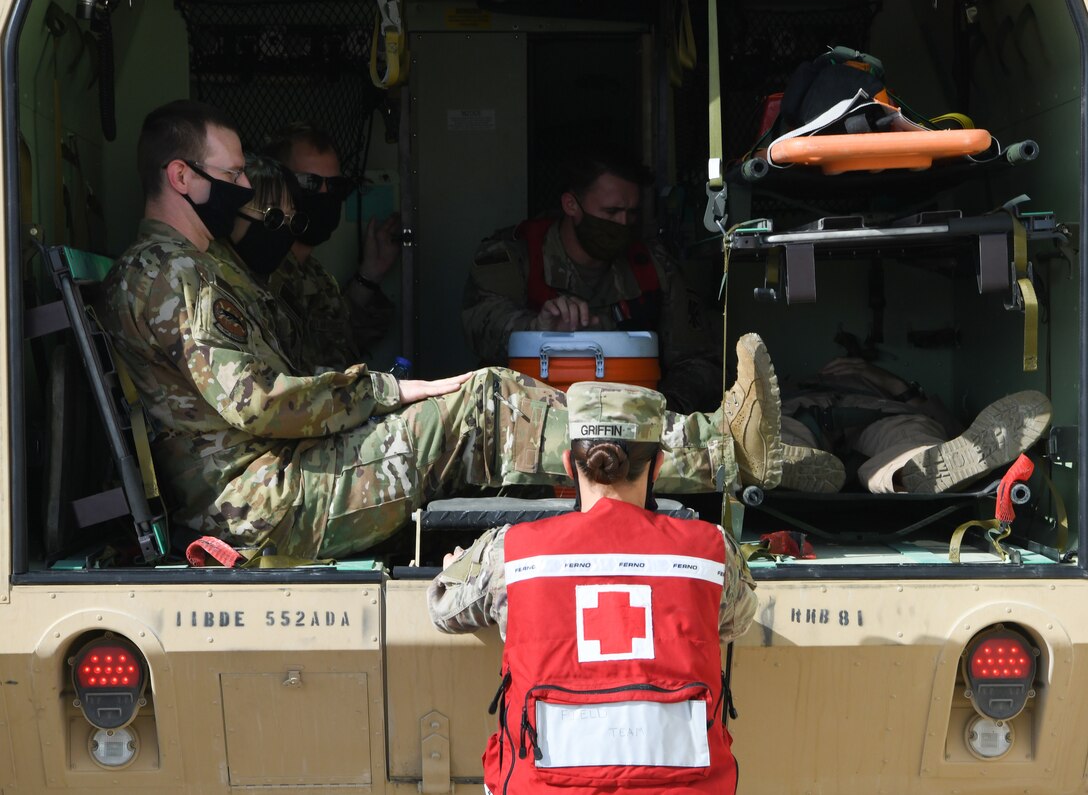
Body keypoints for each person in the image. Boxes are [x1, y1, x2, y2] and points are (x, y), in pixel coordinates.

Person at [100, 100, 784, 560]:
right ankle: (720, 452)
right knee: (482, 407)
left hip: (281, 478)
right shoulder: (166, 274)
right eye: (233, 173)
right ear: (181, 176)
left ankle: (708, 441)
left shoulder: (198, 265)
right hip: (268, 503)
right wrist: (394, 392)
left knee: (485, 399)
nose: (248, 185)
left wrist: (393, 391)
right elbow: (261, 401)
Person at [429, 381, 755, 794]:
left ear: (568, 464)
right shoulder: (711, 551)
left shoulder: (509, 552)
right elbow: (735, 621)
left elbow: (442, 606)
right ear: (656, 468)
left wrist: (456, 568)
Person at [462, 148, 722, 414]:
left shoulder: (653, 265)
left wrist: (659, 412)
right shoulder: (517, 255)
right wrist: (536, 330)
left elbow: (698, 360)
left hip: (631, 420)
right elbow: (481, 327)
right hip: (530, 419)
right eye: (611, 212)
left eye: (631, 213)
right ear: (571, 205)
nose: (622, 223)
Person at [776, 357, 1052, 494]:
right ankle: (789, 464)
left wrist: (885, 380)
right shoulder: (789, 389)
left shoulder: (882, 390)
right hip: (799, 412)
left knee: (913, 438)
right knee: (786, 436)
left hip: (878, 413)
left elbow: (953, 431)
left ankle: (920, 468)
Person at [262, 122, 399, 372]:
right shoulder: (261, 273)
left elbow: (338, 339)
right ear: (276, 186)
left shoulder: (316, 274)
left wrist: (370, 274)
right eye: (310, 184)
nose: (325, 195)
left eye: (335, 186)